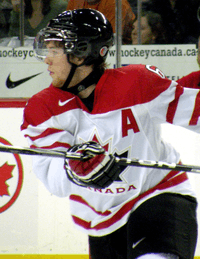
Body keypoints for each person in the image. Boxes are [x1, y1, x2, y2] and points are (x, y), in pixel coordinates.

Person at [21, 9, 199, 259]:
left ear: (81, 53)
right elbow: (55, 180)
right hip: (101, 219)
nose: (46, 59)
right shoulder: (42, 109)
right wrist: (76, 169)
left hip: (159, 194)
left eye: (54, 50)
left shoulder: (136, 83)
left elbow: (195, 112)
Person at [66, 0, 135, 44]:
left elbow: (110, 39)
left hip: (121, 51)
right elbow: (68, 30)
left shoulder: (116, 3)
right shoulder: (75, 2)